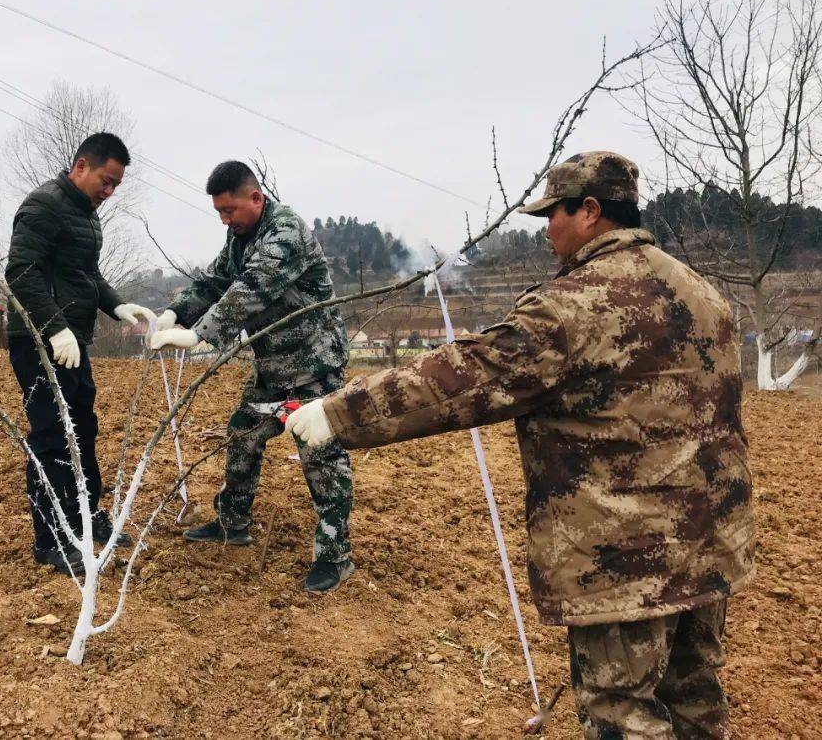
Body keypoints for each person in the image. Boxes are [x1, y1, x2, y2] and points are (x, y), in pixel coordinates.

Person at [287, 151, 755, 736]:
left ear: (589, 211)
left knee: (621, 713)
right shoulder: (702, 293)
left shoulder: (571, 306)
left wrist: (338, 415)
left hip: (625, 557)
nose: (546, 230)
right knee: (696, 702)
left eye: (551, 215)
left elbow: (467, 376)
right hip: (712, 543)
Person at [149, 160, 355, 593]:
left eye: (230, 210)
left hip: (312, 368)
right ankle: (232, 522)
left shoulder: (285, 233)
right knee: (242, 433)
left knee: (320, 453)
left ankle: (335, 556)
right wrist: (175, 311)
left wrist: (199, 334)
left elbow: (251, 290)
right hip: (272, 368)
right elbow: (214, 280)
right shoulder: (241, 236)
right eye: (219, 213)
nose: (225, 220)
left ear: (255, 198)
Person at [5, 132, 155, 575]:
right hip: (39, 342)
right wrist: (54, 329)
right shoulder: (44, 205)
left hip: (72, 342)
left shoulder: (87, 216)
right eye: (105, 181)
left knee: (83, 427)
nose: (108, 192)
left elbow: (87, 275)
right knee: (53, 433)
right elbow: (21, 272)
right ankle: (50, 538)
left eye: (116, 186)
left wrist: (116, 305)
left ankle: (88, 519)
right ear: (81, 166)